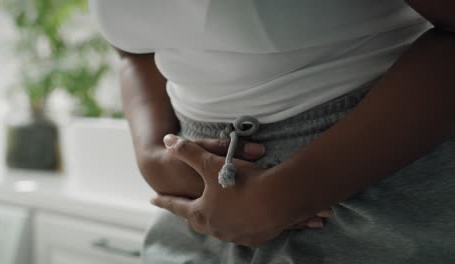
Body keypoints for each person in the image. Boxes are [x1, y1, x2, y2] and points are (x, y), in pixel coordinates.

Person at [89, 1, 455, 263]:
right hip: (195, 212)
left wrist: (290, 192)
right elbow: (131, 51)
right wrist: (153, 158)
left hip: (366, 192)